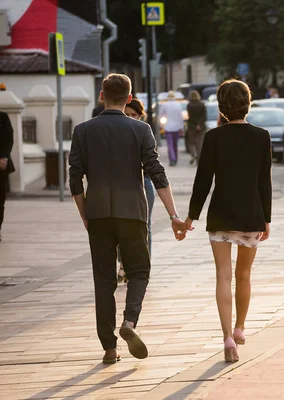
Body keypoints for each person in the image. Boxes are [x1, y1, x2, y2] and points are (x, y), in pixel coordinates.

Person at [69, 73, 187, 364]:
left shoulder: (83, 131)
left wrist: (85, 214)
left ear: (101, 95)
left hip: (98, 213)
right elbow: (156, 173)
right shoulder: (141, 130)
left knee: (103, 280)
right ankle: (130, 322)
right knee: (139, 271)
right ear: (130, 98)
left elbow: (74, 178)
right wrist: (173, 214)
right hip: (132, 211)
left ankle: (109, 347)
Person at [186, 79, 272, 363]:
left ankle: (225, 337)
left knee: (223, 275)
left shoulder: (213, 138)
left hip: (220, 214)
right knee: (243, 275)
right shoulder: (262, 136)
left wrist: (190, 217)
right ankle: (240, 329)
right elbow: (264, 182)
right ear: (248, 105)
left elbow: (202, 182)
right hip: (251, 214)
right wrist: (267, 219)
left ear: (222, 108)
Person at [117, 98, 155, 283]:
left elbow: (152, 163)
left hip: (144, 182)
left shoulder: (143, 132)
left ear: (140, 116)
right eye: (128, 114)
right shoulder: (117, 133)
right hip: (122, 183)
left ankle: (142, 267)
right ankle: (123, 265)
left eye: (135, 115)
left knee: (144, 226)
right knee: (120, 226)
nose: (131, 118)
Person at [159, 91, 185, 166]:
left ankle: (172, 159)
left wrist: (161, 125)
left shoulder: (165, 105)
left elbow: (161, 116)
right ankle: (175, 158)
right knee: (175, 144)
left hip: (168, 127)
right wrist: (181, 127)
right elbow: (180, 117)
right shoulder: (178, 105)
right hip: (176, 127)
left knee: (170, 144)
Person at [0, 110, 14, 242]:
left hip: (0, 167)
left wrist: (4, 157)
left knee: (0, 199)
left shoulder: (2, 117)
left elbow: (9, 139)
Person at [186, 90, 207, 165]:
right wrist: (199, 124)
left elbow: (190, 116)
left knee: (190, 142)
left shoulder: (189, 105)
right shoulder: (202, 104)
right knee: (199, 143)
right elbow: (204, 116)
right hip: (201, 127)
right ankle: (199, 159)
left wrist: (195, 124)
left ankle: (193, 154)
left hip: (192, 126)